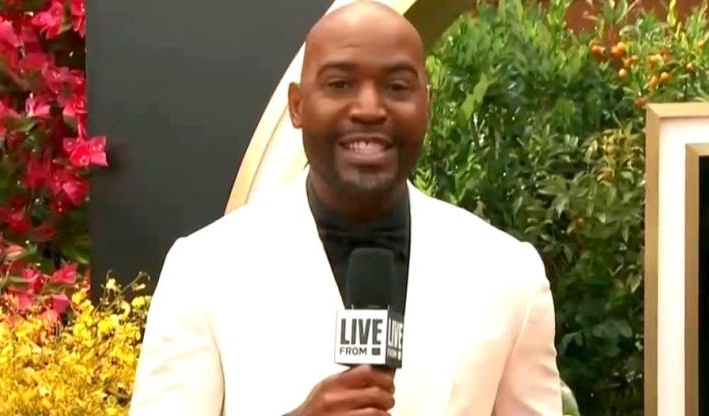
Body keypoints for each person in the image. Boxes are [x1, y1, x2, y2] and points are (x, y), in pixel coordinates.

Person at [128, 1, 562, 415]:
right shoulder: (204, 268)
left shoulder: (509, 275)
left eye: (396, 86)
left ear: (426, 105)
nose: (369, 109)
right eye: (340, 84)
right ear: (298, 106)